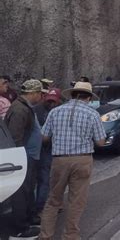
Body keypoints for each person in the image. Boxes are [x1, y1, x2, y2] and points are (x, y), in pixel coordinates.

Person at [39, 82, 106, 239]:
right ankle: (70, 236)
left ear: (72, 95)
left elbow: (44, 137)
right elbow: (101, 142)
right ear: (88, 98)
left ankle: (45, 236)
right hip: (82, 160)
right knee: (76, 201)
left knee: (53, 200)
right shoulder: (92, 114)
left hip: (59, 160)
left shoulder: (55, 112)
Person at [4, 80, 45, 239]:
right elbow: (15, 137)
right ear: (33, 93)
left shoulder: (24, 107)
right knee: (21, 193)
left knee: (28, 190)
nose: (41, 97)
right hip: (23, 158)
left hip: (29, 156)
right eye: (40, 93)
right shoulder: (20, 110)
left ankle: (29, 218)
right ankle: (21, 227)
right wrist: (20, 159)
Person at [33, 88, 62, 216]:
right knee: (45, 180)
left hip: (49, 149)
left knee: (51, 179)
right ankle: (41, 207)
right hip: (44, 149)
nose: (51, 104)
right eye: (49, 101)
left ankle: (50, 203)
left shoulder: (56, 110)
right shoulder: (38, 111)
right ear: (45, 98)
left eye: (53, 102)